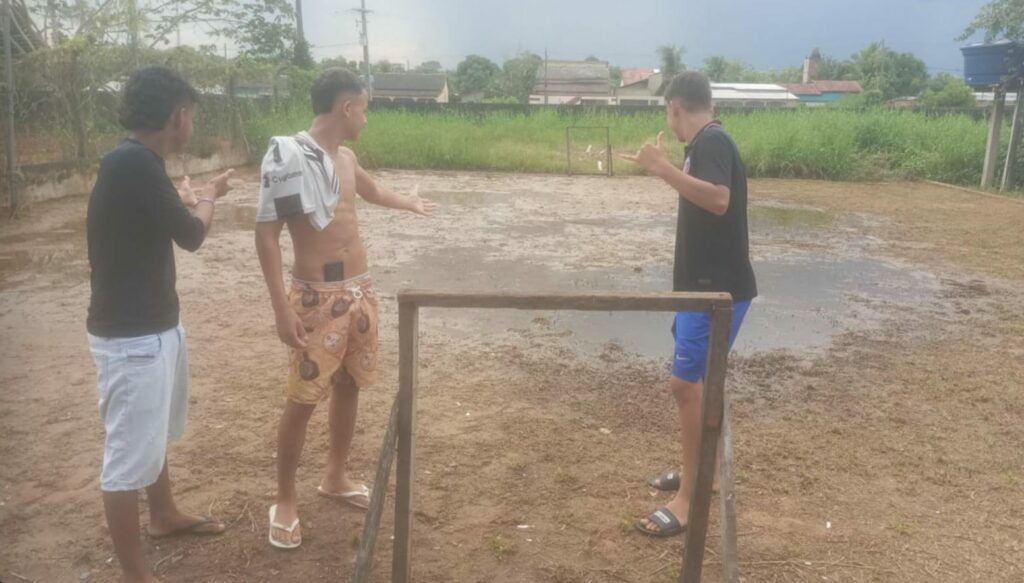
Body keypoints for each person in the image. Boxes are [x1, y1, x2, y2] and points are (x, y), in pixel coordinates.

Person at [255, 68, 438, 549]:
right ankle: (285, 499)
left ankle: (335, 475)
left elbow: (373, 193)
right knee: (302, 399)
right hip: (315, 299)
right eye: (365, 109)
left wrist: (410, 203)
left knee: (349, 385)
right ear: (347, 107)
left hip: (359, 292)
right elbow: (267, 235)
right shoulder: (288, 157)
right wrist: (280, 309)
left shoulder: (348, 158)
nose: (366, 119)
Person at [86, 66, 235, 581]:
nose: (192, 123)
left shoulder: (137, 163)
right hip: (132, 337)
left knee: (149, 433)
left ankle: (164, 514)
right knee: (127, 455)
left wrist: (189, 201)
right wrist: (210, 197)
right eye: (191, 115)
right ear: (179, 115)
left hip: (151, 326)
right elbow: (191, 235)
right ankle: (137, 575)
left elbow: (162, 218)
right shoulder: (134, 163)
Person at [620, 71, 757, 537]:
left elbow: (719, 200)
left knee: (684, 385)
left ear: (675, 107)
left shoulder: (712, 141)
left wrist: (661, 168)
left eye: (667, 111)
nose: (669, 119)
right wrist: (669, 168)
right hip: (704, 290)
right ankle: (706, 474)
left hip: (715, 293)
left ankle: (689, 500)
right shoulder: (702, 145)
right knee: (697, 383)